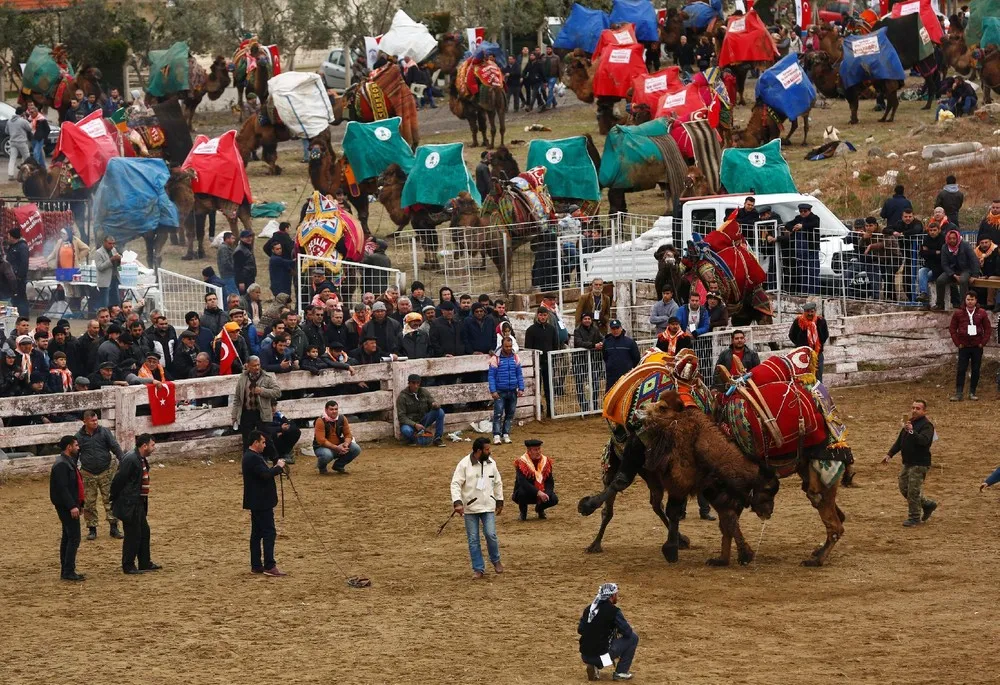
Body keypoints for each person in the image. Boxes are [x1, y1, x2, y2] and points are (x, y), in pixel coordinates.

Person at [450, 437, 504, 579]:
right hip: (470, 508)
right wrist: (457, 502)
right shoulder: (464, 464)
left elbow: (498, 482)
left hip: (488, 506)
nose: (489, 451)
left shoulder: (492, 463)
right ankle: (478, 568)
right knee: (473, 539)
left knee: (491, 534)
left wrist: (499, 500)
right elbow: (455, 483)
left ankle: (495, 559)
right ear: (479, 450)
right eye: (487, 449)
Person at [109, 433, 161, 574]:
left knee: (144, 532)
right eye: (152, 445)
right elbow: (119, 480)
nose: (153, 448)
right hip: (130, 503)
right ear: (144, 446)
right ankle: (128, 565)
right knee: (133, 534)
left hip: (137, 502)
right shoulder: (132, 459)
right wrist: (114, 497)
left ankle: (144, 562)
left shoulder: (139, 458)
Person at [882, 399, 937, 527]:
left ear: (924, 411)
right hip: (907, 462)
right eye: (913, 408)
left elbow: (923, 441)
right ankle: (927, 504)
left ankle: (914, 518)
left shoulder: (927, 426)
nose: (914, 410)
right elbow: (900, 441)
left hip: (919, 463)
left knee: (913, 491)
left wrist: (912, 431)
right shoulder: (909, 423)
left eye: (918, 408)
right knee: (904, 488)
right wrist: (889, 454)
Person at [242, 430, 287, 576]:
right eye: (263, 442)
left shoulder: (250, 456)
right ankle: (269, 565)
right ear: (256, 443)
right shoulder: (253, 458)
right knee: (268, 532)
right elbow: (265, 475)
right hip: (261, 502)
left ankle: (256, 565)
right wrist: (278, 467)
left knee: (257, 533)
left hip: (256, 501)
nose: (264, 444)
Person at [76, 409, 124, 541]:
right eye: (92, 420)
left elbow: (115, 447)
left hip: (106, 470)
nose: (95, 422)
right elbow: (75, 455)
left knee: (110, 500)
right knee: (89, 503)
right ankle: (92, 529)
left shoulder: (104, 432)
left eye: (96, 420)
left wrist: (123, 460)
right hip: (87, 473)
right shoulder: (79, 437)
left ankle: (114, 527)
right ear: (85, 421)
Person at [578, 582, 639, 682]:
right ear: (612, 595)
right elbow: (627, 632)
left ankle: (595, 666)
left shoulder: (589, 609)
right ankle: (621, 672)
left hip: (585, 656)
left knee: (602, 646)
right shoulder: (613, 611)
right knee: (633, 638)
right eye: (616, 594)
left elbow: (580, 630)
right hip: (601, 656)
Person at [50, 435, 85, 580]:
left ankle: (67, 570)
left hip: (68, 504)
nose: (78, 447)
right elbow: (63, 489)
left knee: (68, 536)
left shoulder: (65, 462)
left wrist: (78, 504)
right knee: (73, 537)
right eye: (76, 445)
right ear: (69, 447)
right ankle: (68, 571)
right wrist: (72, 506)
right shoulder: (63, 464)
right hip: (66, 506)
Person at [948, 291, 991, 401]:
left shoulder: (982, 313)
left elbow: (988, 329)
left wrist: (983, 342)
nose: (970, 302)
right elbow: (952, 328)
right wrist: (957, 343)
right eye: (968, 299)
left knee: (976, 369)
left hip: (977, 345)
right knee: (961, 369)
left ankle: (972, 392)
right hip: (964, 345)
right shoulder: (958, 313)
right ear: (965, 300)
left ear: (976, 301)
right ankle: (959, 392)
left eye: (972, 300)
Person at [232, 355, 282, 449]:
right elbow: (237, 398)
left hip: (261, 412)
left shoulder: (267, 377)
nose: (257, 367)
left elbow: (278, 392)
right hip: (246, 412)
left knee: (265, 437)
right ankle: (248, 457)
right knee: (247, 438)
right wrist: (234, 415)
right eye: (254, 365)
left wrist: (262, 391)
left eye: (258, 365)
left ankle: (267, 457)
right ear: (248, 366)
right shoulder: (242, 378)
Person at [489, 336, 524, 444]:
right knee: (498, 413)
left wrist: (521, 387)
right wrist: (493, 390)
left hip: (512, 390)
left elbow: (519, 374)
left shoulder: (515, 357)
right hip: (500, 391)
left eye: (510, 346)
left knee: (510, 413)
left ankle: (506, 433)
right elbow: (491, 376)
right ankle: (496, 434)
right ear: (502, 346)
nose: (508, 348)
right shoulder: (495, 358)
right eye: (506, 346)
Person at [512, 438, 558, 520]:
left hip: (542, 491)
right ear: (529, 451)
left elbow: (550, 482)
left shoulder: (546, 461)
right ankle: (523, 513)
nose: (538, 452)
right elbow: (523, 483)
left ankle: (540, 509)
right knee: (522, 493)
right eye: (535, 450)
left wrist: (546, 493)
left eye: (539, 449)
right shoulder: (521, 463)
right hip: (527, 492)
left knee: (554, 499)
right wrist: (538, 492)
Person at [935, 228, 980, 310]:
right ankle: (939, 304)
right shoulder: (945, 247)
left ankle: (963, 305)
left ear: (957, 238)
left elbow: (974, 260)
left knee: (963, 280)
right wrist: (953, 275)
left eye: (954, 238)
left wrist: (975, 275)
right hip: (952, 270)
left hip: (965, 269)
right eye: (950, 238)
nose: (952, 240)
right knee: (940, 280)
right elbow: (944, 264)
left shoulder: (965, 245)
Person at [396, 374, 446, 446]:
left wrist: (435, 405)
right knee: (406, 430)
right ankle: (415, 439)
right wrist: (415, 424)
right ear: (409, 383)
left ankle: (437, 438)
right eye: (413, 383)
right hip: (411, 424)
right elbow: (401, 417)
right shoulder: (402, 397)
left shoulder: (424, 392)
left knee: (440, 411)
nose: (416, 386)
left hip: (423, 421)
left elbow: (432, 402)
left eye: (418, 383)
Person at [313, 400, 362, 474]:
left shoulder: (342, 418)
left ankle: (338, 466)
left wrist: (346, 444)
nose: (334, 411)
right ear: (326, 410)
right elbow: (321, 440)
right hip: (322, 447)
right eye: (331, 409)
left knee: (356, 448)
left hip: (338, 445)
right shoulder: (320, 420)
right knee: (327, 455)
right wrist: (337, 448)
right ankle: (322, 467)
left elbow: (348, 435)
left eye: (336, 409)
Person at [788, 302, 828, 381]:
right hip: (802, 354)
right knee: (803, 376)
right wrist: (800, 345)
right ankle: (806, 393)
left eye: (812, 311)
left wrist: (818, 345)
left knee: (818, 376)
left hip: (817, 354)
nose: (810, 314)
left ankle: (818, 393)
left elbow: (825, 335)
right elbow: (792, 335)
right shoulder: (798, 321)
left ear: (815, 311)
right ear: (804, 312)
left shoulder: (821, 321)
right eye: (807, 311)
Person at [573, 312, 604, 412]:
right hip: (580, 360)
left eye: (589, 319)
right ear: (582, 320)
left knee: (595, 383)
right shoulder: (577, 330)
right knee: (580, 383)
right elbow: (578, 342)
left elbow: (602, 338)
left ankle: (594, 405)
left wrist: (602, 343)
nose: (587, 320)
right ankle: (584, 407)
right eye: (585, 319)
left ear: (591, 320)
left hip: (593, 360)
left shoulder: (595, 329)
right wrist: (593, 345)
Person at [602, 319, 640, 390]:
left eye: (617, 328)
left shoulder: (630, 342)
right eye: (613, 328)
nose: (615, 330)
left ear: (621, 328)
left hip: (626, 376)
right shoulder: (606, 342)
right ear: (610, 330)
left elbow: (636, 358)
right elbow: (605, 356)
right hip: (611, 377)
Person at [916, 221, 945, 307]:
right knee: (921, 272)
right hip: (929, 265)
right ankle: (924, 293)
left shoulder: (943, 239)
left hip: (939, 267)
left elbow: (942, 254)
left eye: (934, 230)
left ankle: (927, 302)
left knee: (928, 275)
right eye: (930, 230)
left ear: (939, 230)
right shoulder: (926, 238)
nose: (932, 232)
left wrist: (928, 251)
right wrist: (935, 252)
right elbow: (922, 253)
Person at [5, 227, 30, 317]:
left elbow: (24, 263)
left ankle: (24, 316)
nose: (7, 238)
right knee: (15, 298)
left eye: (8, 236)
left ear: (12, 237)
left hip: (19, 279)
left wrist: (19, 276)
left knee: (21, 297)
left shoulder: (22, 247)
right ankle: (16, 316)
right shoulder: (11, 247)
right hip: (12, 278)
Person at [5, 107, 32, 182]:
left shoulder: (9, 121)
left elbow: (6, 131)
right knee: (27, 157)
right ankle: (27, 174)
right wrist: (26, 119)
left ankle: (10, 175)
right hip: (22, 142)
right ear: (22, 113)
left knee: (12, 158)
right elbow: (30, 128)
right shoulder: (22, 121)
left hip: (12, 142)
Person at [233, 230, 257, 294]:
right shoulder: (240, 251)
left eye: (250, 236)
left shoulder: (247, 247)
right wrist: (241, 282)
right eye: (247, 237)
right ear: (241, 238)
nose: (249, 239)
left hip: (249, 278)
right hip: (245, 280)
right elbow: (238, 268)